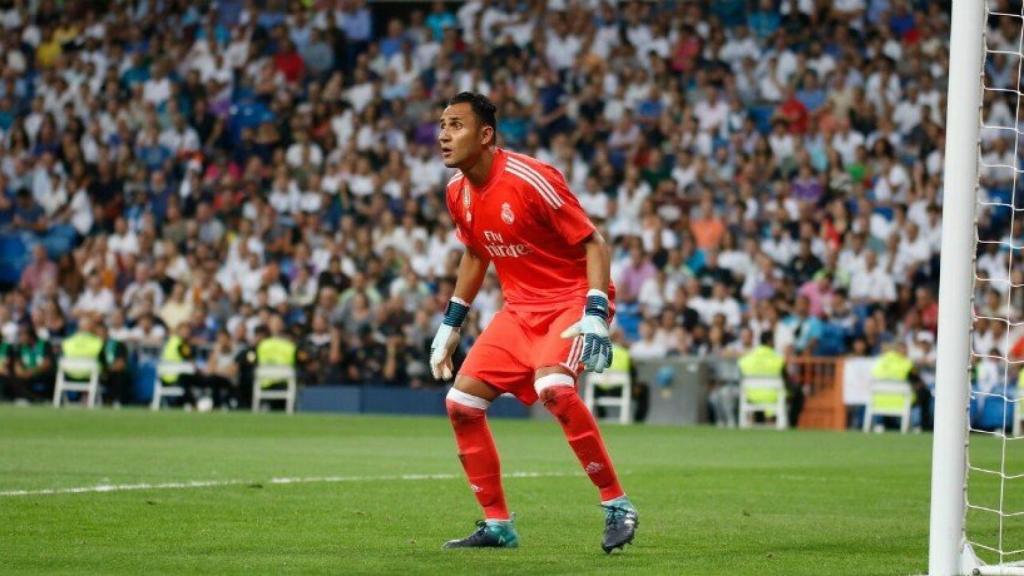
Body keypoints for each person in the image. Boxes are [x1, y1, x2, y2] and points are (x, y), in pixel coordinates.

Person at [431, 92, 637, 553]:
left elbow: (595, 243)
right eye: (441, 125)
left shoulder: (530, 177)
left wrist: (597, 312)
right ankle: (498, 525)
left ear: (485, 135)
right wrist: (451, 324)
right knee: (461, 403)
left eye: (456, 125)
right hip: (519, 310)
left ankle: (617, 504)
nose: (444, 135)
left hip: (571, 300)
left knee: (555, 390)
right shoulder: (456, 193)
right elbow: (474, 253)